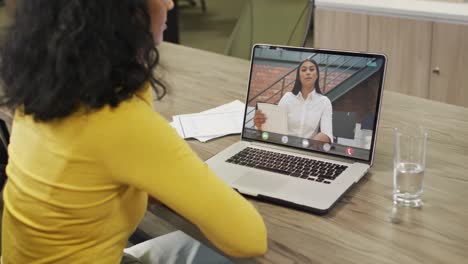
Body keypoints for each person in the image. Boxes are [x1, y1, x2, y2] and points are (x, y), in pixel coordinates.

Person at [0, 0, 267, 263]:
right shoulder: (118, 122)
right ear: (121, 12)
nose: (170, 5)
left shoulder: (41, 95)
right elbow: (250, 239)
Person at [253, 58, 333, 143]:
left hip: (308, 148)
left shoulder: (324, 102)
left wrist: (323, 137)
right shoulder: (288, 98)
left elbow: (327, 134)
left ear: (317, 75)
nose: (308, 72)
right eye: (304, 70)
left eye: (312, 69)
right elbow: (276, 127)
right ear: (299, 76)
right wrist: (260, 125)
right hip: (284, 145)